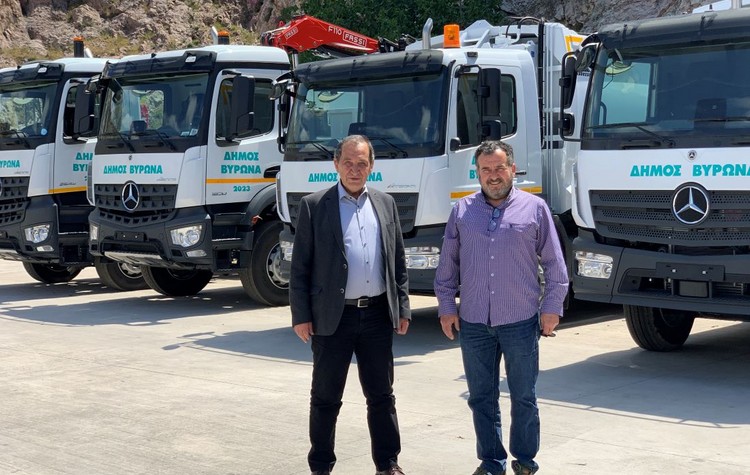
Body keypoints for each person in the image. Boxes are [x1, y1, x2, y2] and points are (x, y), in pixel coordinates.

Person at [434, 140, 568, 475]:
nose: (493, 175)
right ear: (478, 173)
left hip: (520, 320)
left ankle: (525, 460)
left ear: (512, 169)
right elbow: (447, 265)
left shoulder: (535, 209)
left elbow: (555, 263)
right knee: (481, 397)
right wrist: (447, 307)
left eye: (499, 168)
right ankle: (492, 462)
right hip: (474, 321)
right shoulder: (462, 211)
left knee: (523, 396)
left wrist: (552, 307)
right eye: (486, 169)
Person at [290, 134, 411, 475]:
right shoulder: (315, 205)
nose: (354, 170)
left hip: (377, 315)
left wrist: (402, 307)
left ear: (371, 166)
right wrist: (301, 315)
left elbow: (397, 260)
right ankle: (321, 466)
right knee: (326, 398)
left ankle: (388, 464)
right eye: (348, 163)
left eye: (361, 164)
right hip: (333, 318)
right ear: (336, 164)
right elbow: (300, 267)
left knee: (382, 395)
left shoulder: (385, 203)